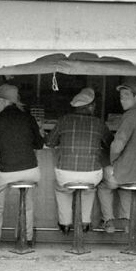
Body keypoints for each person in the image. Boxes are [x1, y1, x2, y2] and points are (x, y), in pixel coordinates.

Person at [0, 84, 45, 248]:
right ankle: (25, 239)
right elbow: (39, 144)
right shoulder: (28, 118)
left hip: (7, 172)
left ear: (4, 102)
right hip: (31, 171)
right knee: (27, 204)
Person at [97, 77, 136, 233]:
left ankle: (109, 222)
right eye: (121, 96)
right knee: (125, 187)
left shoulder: (130, 116)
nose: (121, 99)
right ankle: (127, 223)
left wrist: (113, 162)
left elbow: (117, 144)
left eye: (126, 95)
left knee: (104, 186)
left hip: (126, 174)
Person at [46, 87, 113, 234]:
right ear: (90, 106)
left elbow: (49, 143)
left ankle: (65, 224)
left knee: (62, 189)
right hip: (91, 175)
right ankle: (85, 222)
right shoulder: (99, 123)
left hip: (65, 174)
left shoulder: (64, 120)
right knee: (89, 190)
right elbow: (110, 144)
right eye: (94, 105)